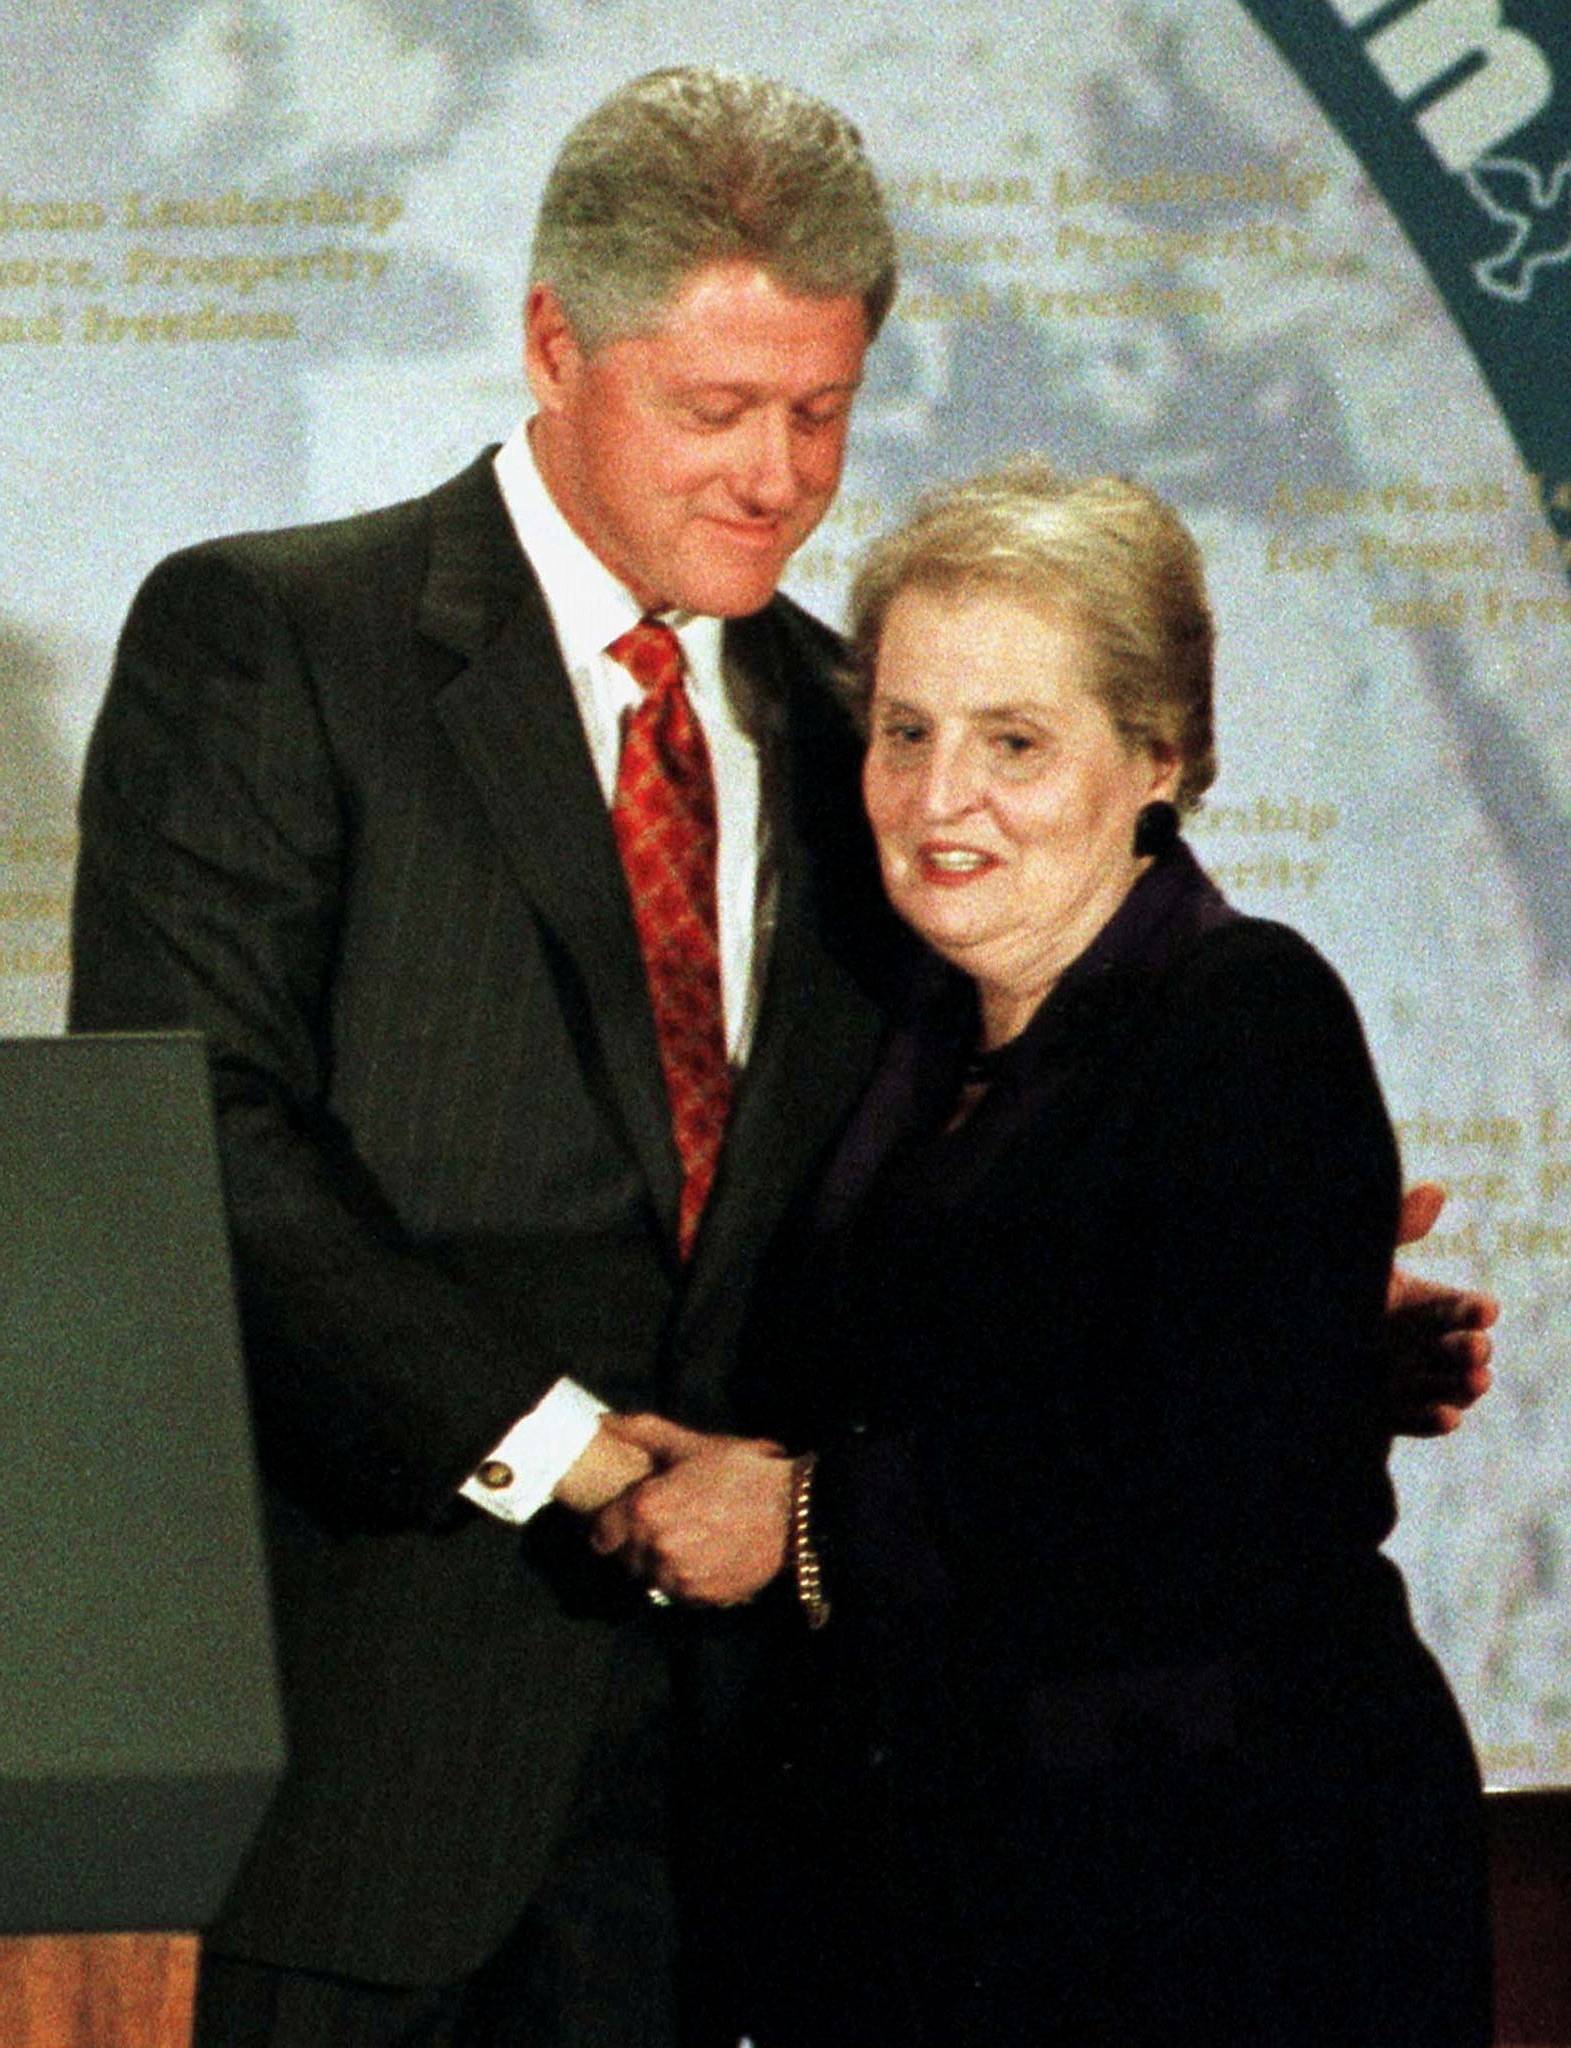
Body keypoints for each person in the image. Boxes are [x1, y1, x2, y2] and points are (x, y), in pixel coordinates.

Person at [69, 60, 1489, 2048]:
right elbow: (196, 1133)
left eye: (819, 412)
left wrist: (1279, 1299)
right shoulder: (276, 641)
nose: (775, 473)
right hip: (390, 1801)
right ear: (556, 346)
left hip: (769, 1836)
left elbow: (1111, 1071)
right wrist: (568, 1451)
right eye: (712, 410)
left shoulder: (862, 721)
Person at [596, 460, 1494, 2047]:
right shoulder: (915, 1034)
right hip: (951, 1899)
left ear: (1162, 757)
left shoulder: (1243, 1016)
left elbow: (1202, 1490)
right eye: (907, 731)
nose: (942, 798)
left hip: (1211, 1905)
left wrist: (797, 1517)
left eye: (1017, 742)